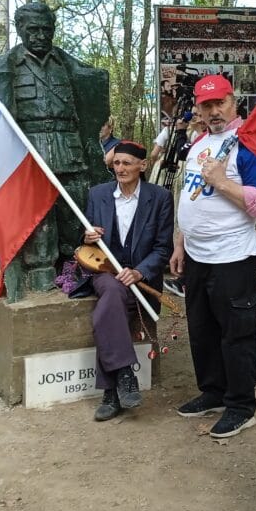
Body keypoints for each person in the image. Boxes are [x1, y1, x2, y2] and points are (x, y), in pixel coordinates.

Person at [169, 75, 256, 439]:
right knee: (202, 329)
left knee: (237, 334)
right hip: (197, 254)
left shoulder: (247, 144)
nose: (213, 111)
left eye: (220, 103)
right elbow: (191, 194)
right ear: (197, 108)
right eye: (206, 105)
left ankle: (241, 406)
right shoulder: (200, 143)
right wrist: (181, 241)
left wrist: (224, 182)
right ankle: (213, 390)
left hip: (232, 256)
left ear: (234, 102)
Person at [0, 1, 107, 300]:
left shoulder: (69, 65)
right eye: (32, 29)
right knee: (37, 219)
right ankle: (38, 277)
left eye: (45, 30)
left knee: (75, 212)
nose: (40, 35)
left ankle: (75, 267)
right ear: (20, 29)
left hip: (70, 149)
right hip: (29, 155)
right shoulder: (3, 69)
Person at [82, 141, 174, 421]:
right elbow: (85, 242)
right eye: (116, 163)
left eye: (126, 163)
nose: (120, 169)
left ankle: (111, 391)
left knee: (110, 307)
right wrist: (87, 238)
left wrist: (139, 272)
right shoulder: (97, 195)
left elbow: (162, 248)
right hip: (105, 271)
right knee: (111, 290)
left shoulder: (160, 197)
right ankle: (125, 375)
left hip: (139, 276)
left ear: (142, 166)